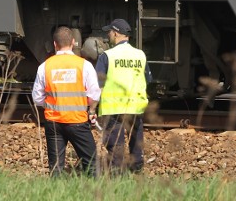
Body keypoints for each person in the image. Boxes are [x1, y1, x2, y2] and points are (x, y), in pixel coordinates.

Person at [32, 25, 101, 176]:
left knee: (55, 167)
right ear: (73, 42)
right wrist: (91, 110)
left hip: (53, 123)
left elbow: (37, 98)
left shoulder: (45, 66)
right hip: (78, 122)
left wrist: (52, 105)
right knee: (91, 165)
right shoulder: (84, 65)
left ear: (55, 44)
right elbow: (95, 94)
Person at [95, 19, 152, 174]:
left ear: (115, 33)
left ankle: (117, 175)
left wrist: (93, 107)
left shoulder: (107, 55)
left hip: (113, 108)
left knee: (116, 147)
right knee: (136, 143)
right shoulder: (140, 55)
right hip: (135, 107)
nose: (108, 35)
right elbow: (147, 80)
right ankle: (137, 172)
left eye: (109, 32)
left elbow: (97, 84)